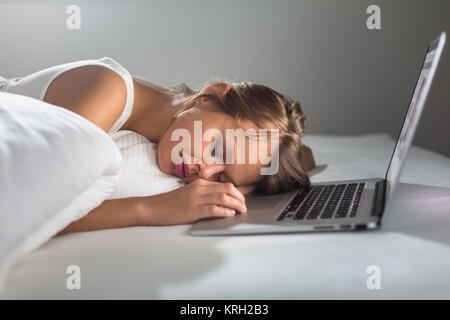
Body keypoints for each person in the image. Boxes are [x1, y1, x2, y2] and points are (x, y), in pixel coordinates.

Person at [0, 57, 315, 234]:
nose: (204, 169)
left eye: (221, 177)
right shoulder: (107, 91)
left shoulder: (179, 119)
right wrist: (152, 208)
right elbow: (37, 210)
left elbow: (296, 154)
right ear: (212, 94)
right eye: (218, 150)